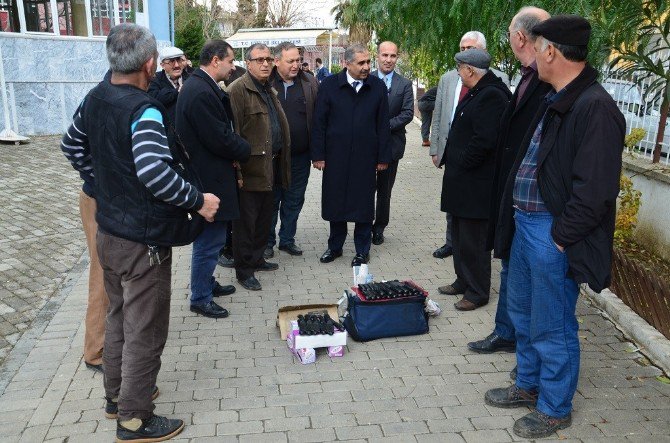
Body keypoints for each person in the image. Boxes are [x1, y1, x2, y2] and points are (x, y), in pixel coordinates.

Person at [60, 23, 219, 442]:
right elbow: (153, 172)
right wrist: (197, 201)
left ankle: (116, 398)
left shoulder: (95, 97)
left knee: (118, 319)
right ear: (150, 64)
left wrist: (102, 184)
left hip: (109, 231)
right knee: (144, 329)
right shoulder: (143, 109)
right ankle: (134, 418)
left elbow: (71, 145)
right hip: (141, 239)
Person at [485, 15, 625, 439]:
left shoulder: (595, 107)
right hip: (528, 226)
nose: (532, 55)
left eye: (537, 47)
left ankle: (554, 406)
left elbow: (596, 190)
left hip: (551, 232)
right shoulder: (561, 97)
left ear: (550, 52)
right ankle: (528, 385)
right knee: (524, 314)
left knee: (552, 323)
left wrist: (562, 237)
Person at [467, 6, 552, 361]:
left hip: (531, 195)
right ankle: (506, 331)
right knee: (510, 264)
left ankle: (515, 337)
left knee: (519, 272)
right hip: (513, 188)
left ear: (519, 37)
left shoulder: (547, 79)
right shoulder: (528, 75)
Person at [176, 39, 251, 318]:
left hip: (211, 175)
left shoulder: (201, 86)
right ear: (216, 60)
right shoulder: (199, 91)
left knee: (214, 240)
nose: (233, 67)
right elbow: (218, 137)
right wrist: (245, 149)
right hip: (208, 179)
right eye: (231, 61)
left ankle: (206, 282)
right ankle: (200, 296)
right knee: (209, 241)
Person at [439, 49, 510, 311]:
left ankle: (478, 291)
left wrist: (463, 163)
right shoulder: (480, 91)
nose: (458, 73)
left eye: (460, 68)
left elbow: (484, 140)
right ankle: (463, 280)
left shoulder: (492, 94)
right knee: (459, 236)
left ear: (469, 70)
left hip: (475, 184)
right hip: (462, 183)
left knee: (474, 240)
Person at [430, 31, 510, 260]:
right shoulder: (448, 78)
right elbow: (439, 114)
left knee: (471, 223)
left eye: (470, 50)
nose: (464, 54)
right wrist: (436, 148)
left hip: (473, 167)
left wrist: (464, 161)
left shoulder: (495, 84)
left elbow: (486, 134)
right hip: (453, 156)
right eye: (462, 49)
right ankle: (451, 245)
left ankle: (473, 278)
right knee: (455, 210)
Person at [312, 43, 391, 267]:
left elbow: (382, 124)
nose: (367, 67)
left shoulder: (376, 86)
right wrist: (318, 154)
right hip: (335, 156)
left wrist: (383, 157)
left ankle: (362, 251)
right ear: (347, 64)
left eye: (368, 62)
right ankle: (335, 247)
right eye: (361, 63)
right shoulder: (329, 85)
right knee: (336, 202)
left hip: (366, 157)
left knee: (363, 204)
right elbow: (319, 122)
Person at [228, 43, 291, 291]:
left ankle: (257, 259)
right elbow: (234, 135)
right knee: (246, 225)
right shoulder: (238, 91)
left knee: (264, 220)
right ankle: (244, 271)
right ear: (248, 62)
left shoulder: (268, 89)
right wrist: (239, 173)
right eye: (259, 59)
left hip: (270, 167)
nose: (265, 64)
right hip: (250, 169)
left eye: (268, 59)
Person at [264, 42, 319, 259]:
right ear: (277, 61)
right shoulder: (265, 84)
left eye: (298, 60)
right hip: (273, 157)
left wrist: (318, 154)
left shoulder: (310, 83)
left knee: (294, 199)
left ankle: (287, 239)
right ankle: (267, 242)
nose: (296, 65)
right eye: (291, 61)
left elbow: (319, 121)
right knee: (271, 201)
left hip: (300, 157)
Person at [371, 41, 414, 246]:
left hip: (392, 145)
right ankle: (363, 224)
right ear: (377, 56)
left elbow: (407, 113)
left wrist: (384, 126)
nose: (388, 60)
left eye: (393, 56)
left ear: (397, 58)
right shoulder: (366, 79)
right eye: (385, 55)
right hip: (367, 145)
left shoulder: (404, 84)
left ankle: (379, 227)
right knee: (365, 188)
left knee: (384, 191)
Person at [148, 46, 189, 145]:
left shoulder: (191, 78)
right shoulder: (155, 79)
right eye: (171, 62)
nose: (176, 65)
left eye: (179, 60)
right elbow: (155, 99)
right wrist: (177, 91)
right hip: (167, 138)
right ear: (162, 65)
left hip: (189, 135)